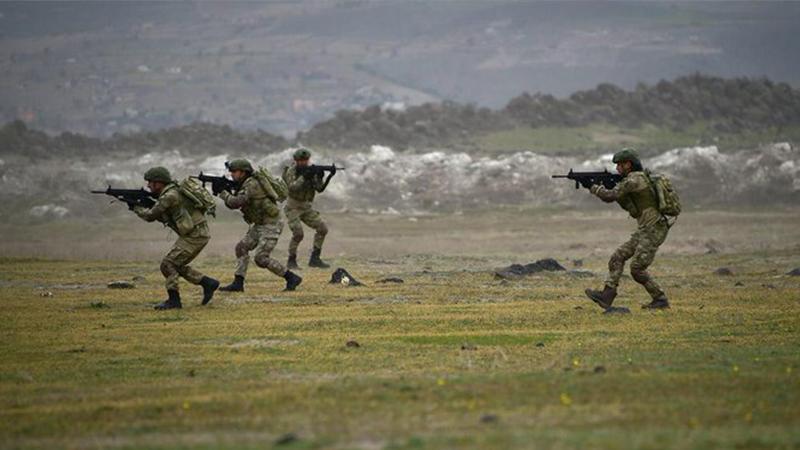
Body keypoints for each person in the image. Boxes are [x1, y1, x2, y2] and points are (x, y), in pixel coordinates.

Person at [584, 148, 671, 310]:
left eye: (619, 165)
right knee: (617, 257)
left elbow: (610, 196)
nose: (617, 169)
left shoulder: (634, 180)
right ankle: (607, 296)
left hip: (654, 229)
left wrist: (592, 187)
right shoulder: (634, 179)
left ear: (628, 165)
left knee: (637, 269)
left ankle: (660, 299)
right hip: (645, 229)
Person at [134, 166, 219, 310]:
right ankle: (207, 283)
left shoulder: (169, 196)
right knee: (175, 265)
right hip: (196, 234)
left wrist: (136, 207)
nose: (148, 185)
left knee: (168, 264)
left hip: (195, 235)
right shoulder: (172, 192)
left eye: (151, 182)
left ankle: (174, 301)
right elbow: (164, 215)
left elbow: (150, 216)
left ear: (159, 182)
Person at [216, 159, 302, 292]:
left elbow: (236, 202)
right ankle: (238, 284)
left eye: (234, 171)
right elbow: (235, 201)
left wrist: (223, 193)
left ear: (243, 172)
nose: (231, 174)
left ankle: (291, 278)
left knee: (261, 258)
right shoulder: (245, 183)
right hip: (260, 224)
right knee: (241, 248)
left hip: (271, 224)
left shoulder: (252, 184)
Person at [282, 148, 333, 269]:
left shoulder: (310, 171)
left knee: (322, 229)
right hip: (293, 207)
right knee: (298, 234)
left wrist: (324, 176)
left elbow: (319, 189)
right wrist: (304, 177)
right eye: (300, 160)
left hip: (306, 207)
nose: (303, 163)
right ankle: (291, 260)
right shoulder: (291, 171)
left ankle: (315, 259)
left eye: (305, 160)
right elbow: (292, 188)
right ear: (295, 160)